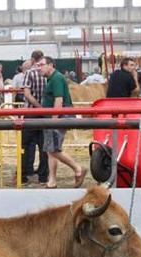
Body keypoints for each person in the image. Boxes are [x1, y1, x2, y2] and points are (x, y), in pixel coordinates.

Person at [39, 56, 86, 189]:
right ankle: (52, 180)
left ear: (50, 65)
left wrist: (54, 119)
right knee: (51, 150)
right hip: (54, 117)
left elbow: (58, 100)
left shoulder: (56, 78)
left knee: (53, 150)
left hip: (57, 117)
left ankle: (78, 169)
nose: (39, 68)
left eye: (42, 64)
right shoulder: (52, 79)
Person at [21, 50, 48, 185]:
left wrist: (37, 106)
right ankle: (43, 177)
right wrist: (43, 108)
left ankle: (23, 175)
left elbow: (26, 94)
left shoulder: (30, 73)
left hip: (31, 113)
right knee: (44, 146)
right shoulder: (47, 73)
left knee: (25, 145)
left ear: (32, 59)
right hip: (45, 115)